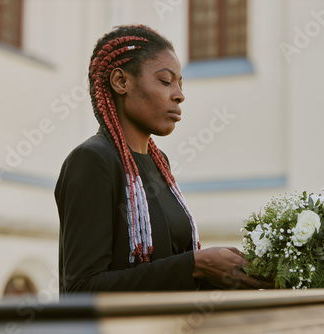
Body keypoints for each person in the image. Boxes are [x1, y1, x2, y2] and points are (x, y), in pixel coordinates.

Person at [55, 24, 273, 294]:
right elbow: (81, 289)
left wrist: (238, 274)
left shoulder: (160, 164)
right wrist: (196, 265)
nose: (179, 95)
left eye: (180, 84)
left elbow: (167, 273)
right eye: (165, 81)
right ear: (121, 82)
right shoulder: (92, 161)